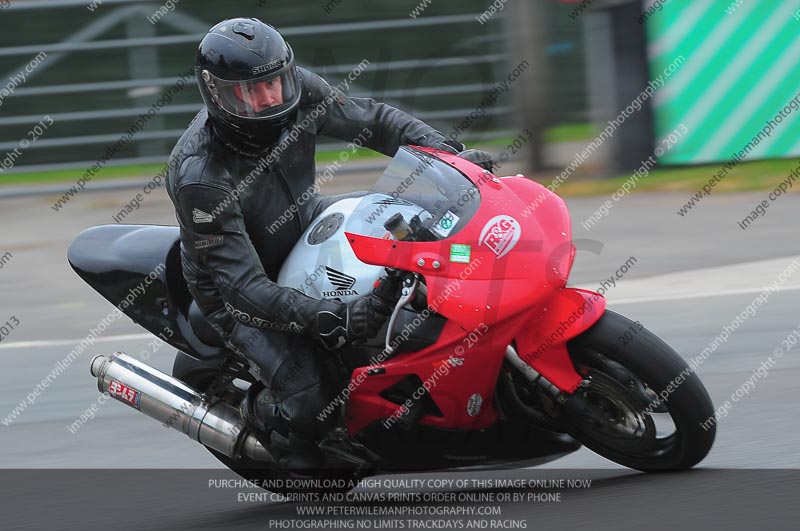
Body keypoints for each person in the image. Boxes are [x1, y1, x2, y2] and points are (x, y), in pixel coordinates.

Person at [165, 17, 469, 472]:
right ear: (217, 94)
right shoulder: (200, 175)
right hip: (238, 290)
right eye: (252, 90)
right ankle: (267, 427)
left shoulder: (297, 91)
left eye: (274, 82)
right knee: (312, 406)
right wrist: (334, 316)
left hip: (306, 221)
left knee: (413, 234)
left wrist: (449, 157)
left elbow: (377, 121)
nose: (271, 98)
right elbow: (244, 286)